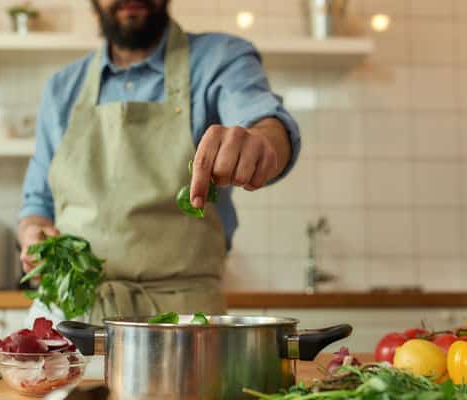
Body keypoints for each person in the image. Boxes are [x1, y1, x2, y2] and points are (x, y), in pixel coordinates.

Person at [19, 0, 301, 324]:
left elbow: (265, 121)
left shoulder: (221, 58)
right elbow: (37, 204)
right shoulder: (61, 88)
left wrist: (262, 142)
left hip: (185, 324)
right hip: (70, 317)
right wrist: (34, 234)